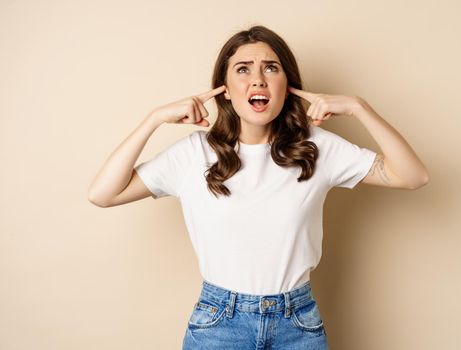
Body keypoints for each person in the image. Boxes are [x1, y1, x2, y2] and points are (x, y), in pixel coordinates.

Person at [88, 25, 429, 349]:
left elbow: (413, 176)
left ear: (287, 85)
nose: (257, 80)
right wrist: (155, 118)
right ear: (224, 88)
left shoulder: (316, 148)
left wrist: (359, 107)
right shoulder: (193, 154)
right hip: (219, 325)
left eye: (270, 68)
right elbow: (103, 194)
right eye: (243, 70)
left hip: (298, 324)